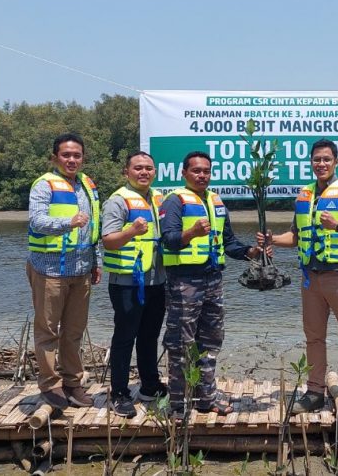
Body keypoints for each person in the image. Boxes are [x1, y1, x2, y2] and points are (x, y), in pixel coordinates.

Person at [259, 139, 338, 415]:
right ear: (310, 162)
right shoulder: (305, 195)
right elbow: (297, 237)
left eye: (326, 159)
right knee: (314, 337)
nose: (321, 164)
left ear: (336, 162)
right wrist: (273, 239)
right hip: (310, 279)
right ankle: (314, 392)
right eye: (316, 160)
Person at [159, 151, 262, 418]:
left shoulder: (216, 202)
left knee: (211, 340)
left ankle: (205, 397)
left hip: (213, 280)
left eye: (206, 171)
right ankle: (178, 405)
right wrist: (191, 233)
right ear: (184, 173)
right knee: (181, 343)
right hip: (184, 281)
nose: (202, 175)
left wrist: (250, 252)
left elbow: (229, 243)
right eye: (196, 171)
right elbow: (167, 239)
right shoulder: (174, 201)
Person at [26, 133, 102, 410]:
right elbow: (36, 221)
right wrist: (67, 222)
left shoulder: (87, 185)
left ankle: (73, 382)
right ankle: (50, 385)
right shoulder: (44, 184)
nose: (72, 160)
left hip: (81, 268)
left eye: (77, 155)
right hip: (48, 269)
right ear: (55, 157)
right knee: (47, 331)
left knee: (74, 331)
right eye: (66, 155)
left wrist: (97, 262)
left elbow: (94, 228)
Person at [101, 151, 168, 418]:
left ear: (154, 172)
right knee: (125, 336)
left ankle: (150, 385)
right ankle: (119, 393)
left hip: (156, 280)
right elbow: (108, 240)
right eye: (138, 168)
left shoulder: (159, 198)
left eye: (148, 168)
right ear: (126, 172)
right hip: (126, 282)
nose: (144, 172)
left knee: (150, 335)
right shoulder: (118, 201)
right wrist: (130, 231)